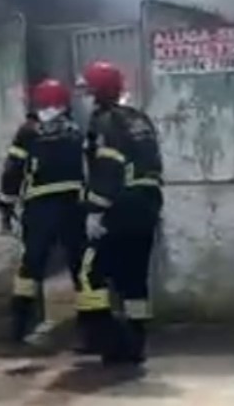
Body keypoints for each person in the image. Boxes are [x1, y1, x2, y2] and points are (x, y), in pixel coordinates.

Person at [76, 60, 164, 367]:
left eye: (89, 91)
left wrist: (95, 211)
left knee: (90, 272)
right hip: (148, 203)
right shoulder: (140, 119)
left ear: (100, 92)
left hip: (120, 205)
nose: (86, 97)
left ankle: (105, 340)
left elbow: (108, 167)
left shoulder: (105, 120)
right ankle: (135, 344)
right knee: (133, 279)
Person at [0, 79, 86, 344]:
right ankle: (90, 328)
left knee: (31, 266)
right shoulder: (75, 130)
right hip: (73, 206)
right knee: (80, 267)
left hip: (40, 207)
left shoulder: (28, 130)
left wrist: (6, 203)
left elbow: (13, 169)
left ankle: (19, 327)